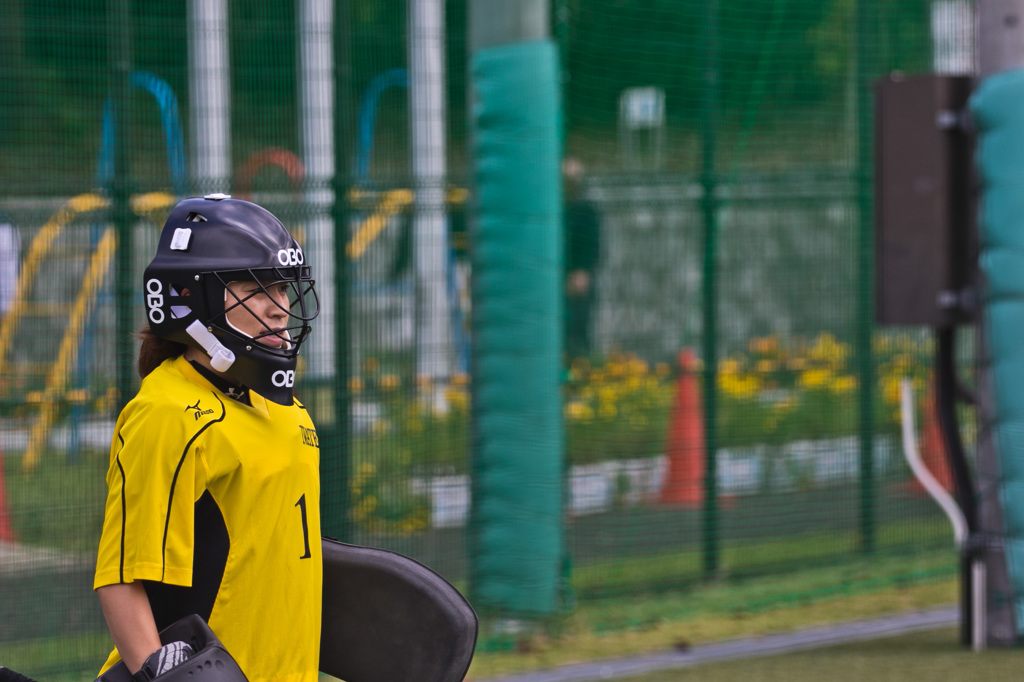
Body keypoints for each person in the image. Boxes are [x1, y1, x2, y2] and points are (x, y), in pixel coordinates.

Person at [93, 194, 322, 681]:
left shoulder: (281, 406)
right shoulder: (167, 413)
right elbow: (121, 576)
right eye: (257, 289)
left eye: (283, 290)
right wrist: (159, 671)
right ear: (192, 299)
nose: (279, 309)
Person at [562, 157, 601, 360]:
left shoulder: (587, 209)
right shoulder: (555, 210)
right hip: (558, 277)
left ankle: (582, 367)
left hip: (579, 277)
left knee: (579, 326)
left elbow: (594, 244)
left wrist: (582, 271)